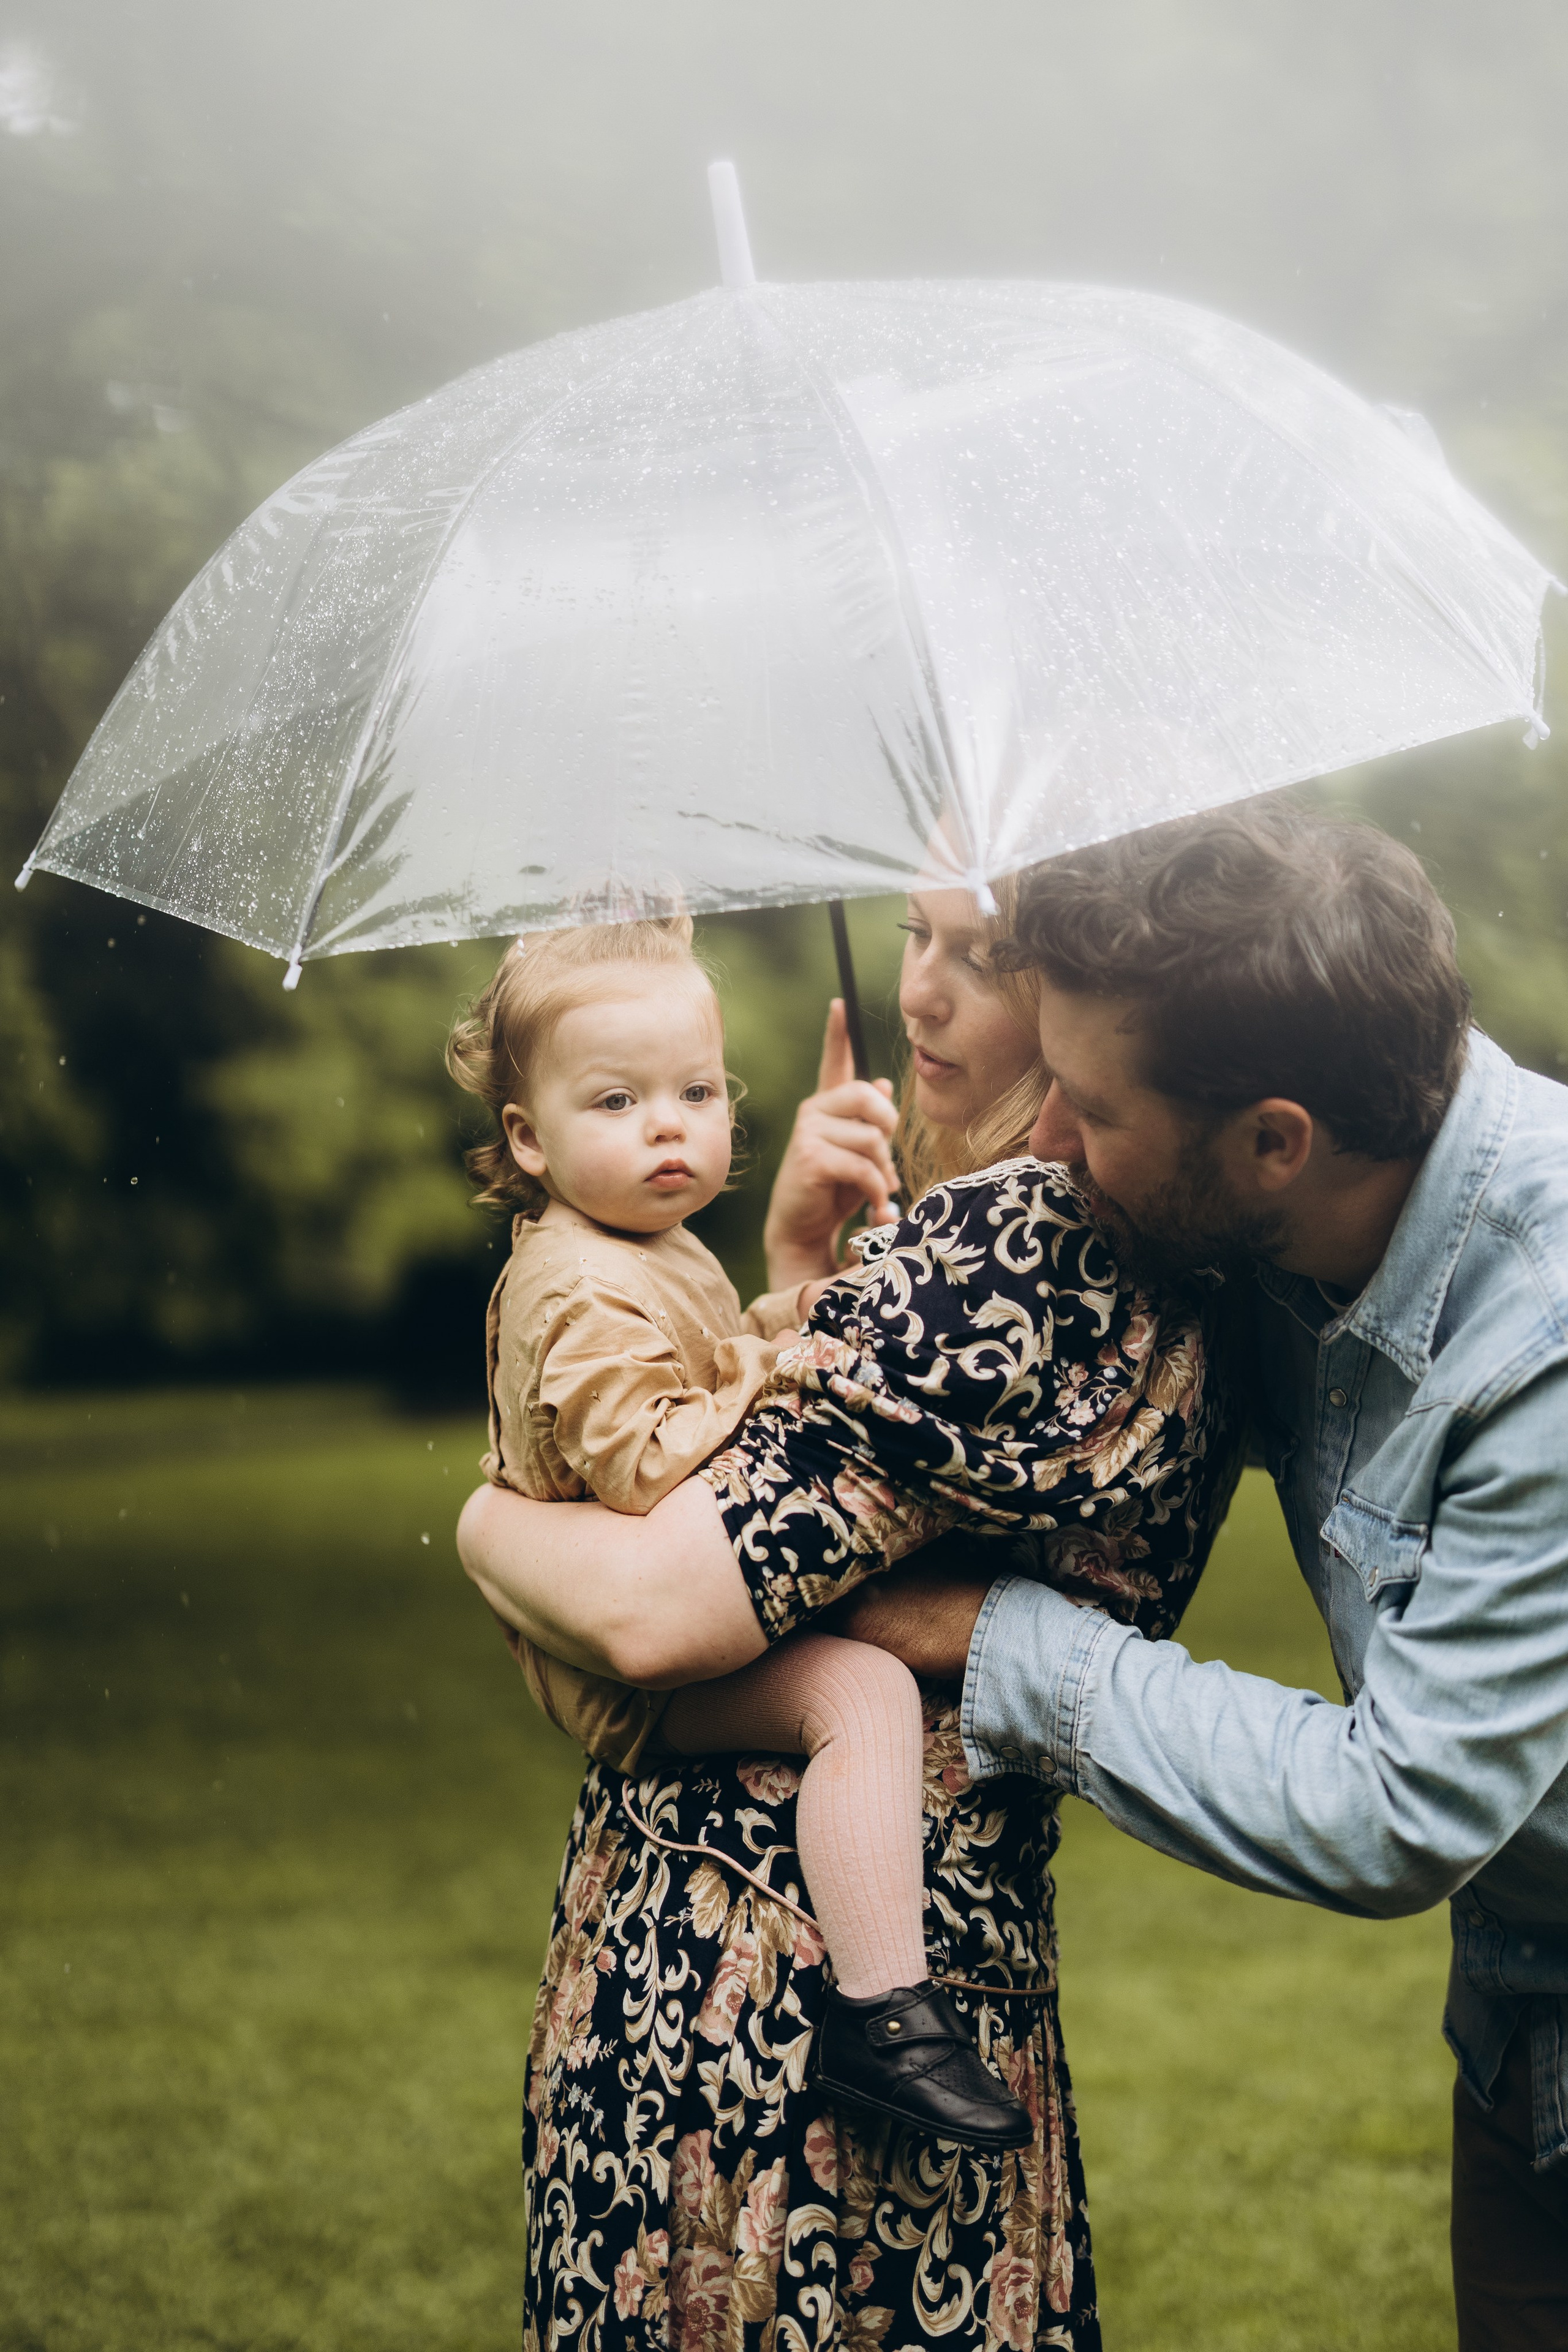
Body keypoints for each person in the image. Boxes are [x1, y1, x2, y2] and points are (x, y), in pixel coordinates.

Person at [459, 874, 1247, 2352]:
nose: (922, 993)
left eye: (985, 955)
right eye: (913, 938)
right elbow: (811, 1494)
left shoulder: (1017, 1244)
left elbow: (667, 1598)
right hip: (903, 1957)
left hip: (774, 2004)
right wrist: (811, 1282)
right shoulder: (1127, 1232)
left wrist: (488, 1523)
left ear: (1093, 994)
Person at [831, 801, 1568, 2351]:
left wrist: (995, 1642)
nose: (1047, 1141)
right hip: (1521, 2008)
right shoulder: (1294, 1221)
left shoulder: (1543, 1341)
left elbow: (1400, 1808)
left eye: (1090, 1109)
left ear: (1271, 1140)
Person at [447, 916, 1030, 2149]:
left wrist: (785, 1307)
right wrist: (786, 1362)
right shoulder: (579, 1286)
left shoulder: (642, 1247)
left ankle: (886, 2003)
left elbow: (700, 1364)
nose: (668, 1124)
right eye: (615, 1100)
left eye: (696, 1091)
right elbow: (650, 1461)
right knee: (861, 1693)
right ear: (526, 1140)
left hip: (638, 1636)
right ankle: (885, 2018)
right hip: (621, 1673)